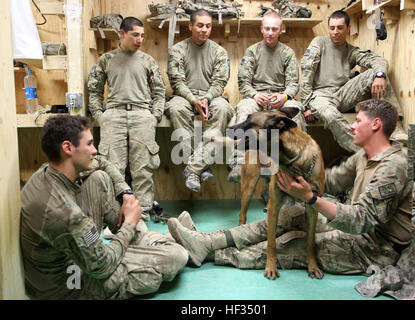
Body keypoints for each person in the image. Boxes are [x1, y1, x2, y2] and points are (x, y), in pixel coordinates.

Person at [166, 99, 413, 277]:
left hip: (374, 248)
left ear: (376, 125)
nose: (351, 126)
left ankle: (210, 254)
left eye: (357, 121)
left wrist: (310, 198)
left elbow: (361, 220)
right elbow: (334, 179)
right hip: (354, 230)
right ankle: (206, 240)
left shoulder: (393, 166)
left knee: (289, 243)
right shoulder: (364, 155)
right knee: (288, 216)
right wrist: (302, 179)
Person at [20, 115, 192, 299]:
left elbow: (101, 162)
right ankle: (169, 243)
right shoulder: (66, 214)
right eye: (90, 144)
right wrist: (129, 224)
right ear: (68, 147)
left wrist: (125, 191)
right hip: (71, 285)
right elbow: (103, 266)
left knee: (99, 179)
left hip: (67, 259)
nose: (94, 150)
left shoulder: (47, 171)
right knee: (176, 256)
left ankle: (154, 242)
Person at [88, 16, 165, 220]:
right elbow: (94, 91)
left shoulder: (148, 60)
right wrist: (100, 116)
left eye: (142, 35)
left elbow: (159, 91)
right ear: (122, 34)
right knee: (113, 168)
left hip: (141, 114)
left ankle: (144, 213)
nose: (140, 39)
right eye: (135, 35)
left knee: (143, 168)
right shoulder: (106, 59)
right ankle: (114, 215)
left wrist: (154, 116)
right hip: (114, 114)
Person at [300, 10, 407, 154]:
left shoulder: (351, 51)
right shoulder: (320, 43)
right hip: (320, 97)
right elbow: (307, 73)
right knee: (331, 115)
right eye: (332, 28)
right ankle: (366, 152)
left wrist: (380, 75)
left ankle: (397, 129)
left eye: (340, 28)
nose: (335, 32)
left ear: (348, 28)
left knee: (376, 74)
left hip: (342, 95)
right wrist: (305, 105)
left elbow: (377, 60)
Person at [228, 11, 306, 183]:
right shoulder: (252, 51)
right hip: (257, 97)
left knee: (297, 111)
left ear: (281, 30)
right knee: (244, 109)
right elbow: (243, 82)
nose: (270, 33)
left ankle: (299, 163)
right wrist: (255, 95)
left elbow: (293, 83)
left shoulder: (288, 53)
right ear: (262, 29)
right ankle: (237, 163)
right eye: (267, 29)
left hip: (280, 97)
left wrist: (284, 96)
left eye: (274, 29)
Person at [167, 9, 234, 192]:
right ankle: (201, 166)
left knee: (222, 108)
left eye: (208, 26)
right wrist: (193, 99)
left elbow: (220, 82)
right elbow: (177, 81)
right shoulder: (177, 50)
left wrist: (206, 98)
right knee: (175, 108)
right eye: (200, 25)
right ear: (190, 26)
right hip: (184, 97)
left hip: (210, 97)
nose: (204, 29)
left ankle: (193, 169)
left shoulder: (219, 52)